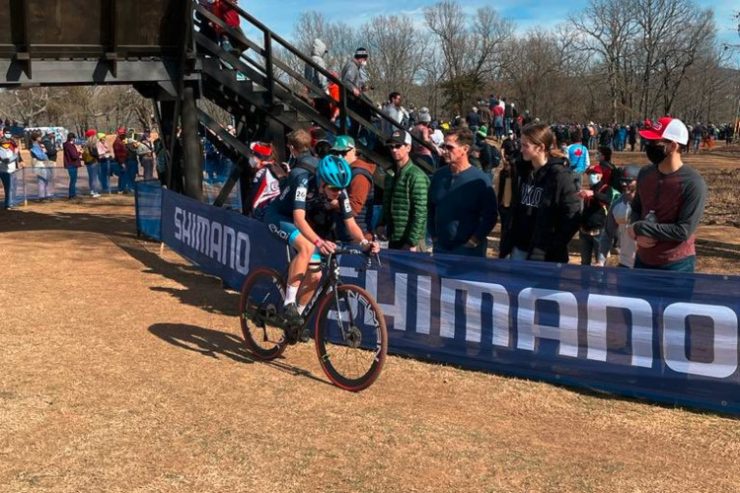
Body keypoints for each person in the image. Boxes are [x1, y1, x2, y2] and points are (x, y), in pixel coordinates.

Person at [264, 154, 379, 340]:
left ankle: (296, 320)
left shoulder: (339, 192)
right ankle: (289, 302)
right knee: (307, 247)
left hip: (299, 223)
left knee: (316, 275)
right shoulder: (303, 181)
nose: (337, 192)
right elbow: (299, 219)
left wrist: (365, 243)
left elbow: (351, 224)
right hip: (280, 217)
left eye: (341, 188)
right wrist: (319, 242)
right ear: (321, 182)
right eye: (333, 188)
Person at [629, 117, 707, 273]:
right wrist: (634, 229)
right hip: (643, 260)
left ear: (672, 146)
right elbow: (637, 207)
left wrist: (640, 227)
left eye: (654, 143)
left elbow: (683, 230)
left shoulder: (693, 183)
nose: (648, 147)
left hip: (676, 266)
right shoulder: (645, 173)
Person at [508, 123, 581, 262]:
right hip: (518, 248)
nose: (521, 149)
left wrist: (551, 246)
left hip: (546, 255)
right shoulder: (522, 172)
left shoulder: (560, 176)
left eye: (525, 145)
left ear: (540, 147)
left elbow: (572, 216)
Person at [428, 128, 497, 257]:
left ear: (465, 149)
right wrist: (434, 236)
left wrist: (474, 241)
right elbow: (431, 207)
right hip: (441, 249)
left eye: (450, 147)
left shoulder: (480, 180)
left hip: (468, 253)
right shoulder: (438, 176)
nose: (445, 151)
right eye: (443, 146)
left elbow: (490, 216)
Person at [375, 130, 430, 251]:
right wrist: (381, 224)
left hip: (412, 242)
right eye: (391, 147)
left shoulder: (417, 176)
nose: (394, 150)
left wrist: (412, 241)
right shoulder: (391, 174)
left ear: (408, 147)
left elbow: (420, 212)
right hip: (394, 237)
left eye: (398, 146)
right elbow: (386, 203)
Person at [330, 136, 377, 241]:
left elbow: (354, 208)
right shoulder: (346, 172)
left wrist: (333, 203)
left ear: (354, 151)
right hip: (345, 233)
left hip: (358, 236)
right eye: (336, 153)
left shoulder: (359, 175)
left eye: (343, 153)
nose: (340, 157)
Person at [597, 165, 640, 268]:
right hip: (625, 263)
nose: (624, 184)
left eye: (629, 181)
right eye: (622, 180)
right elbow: (607, 234)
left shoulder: (648, 204)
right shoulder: (616, 205)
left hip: (646, 265)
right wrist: (601, 260)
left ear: (639, 181)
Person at [576, 164, 619, 265]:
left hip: (599, 232)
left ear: (600, 175)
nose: (591, 176)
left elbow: (608, 200)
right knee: (584, 262)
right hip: (585, 231)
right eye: (589, 174)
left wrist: (594, 194)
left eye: (593, 173)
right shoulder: (589, 189)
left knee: (600, 263)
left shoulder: (606, 188)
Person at [243, 141, 286, 220]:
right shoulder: (277, 168)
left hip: (261, 213)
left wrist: (244, 214)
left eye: (253, 155)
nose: (251, 158)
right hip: (275, 211)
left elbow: (252, 195)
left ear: (260, 157)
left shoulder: (261, 172)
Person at [341, 48, 372, 139]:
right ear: (361, 58)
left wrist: (362, 87)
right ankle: (363, 133)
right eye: (365, 59)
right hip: (350, 100)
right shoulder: (352, 66)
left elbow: (354, 83)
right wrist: (354, 89)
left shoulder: (355, 67)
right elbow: (346, 82)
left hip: (351, 99)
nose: (365, 62)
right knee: (365, 110)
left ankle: (362, 132)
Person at [30, 131, 53, 201]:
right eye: (39, 136)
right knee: (41, 181)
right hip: (39, 165)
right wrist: (44, 152)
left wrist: (43, 150)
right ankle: (42, 196)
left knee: (46, 180)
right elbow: (40, 156)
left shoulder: (39, 145)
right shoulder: (34, 146)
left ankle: (47, 195)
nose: (40, 138)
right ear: (36, 138)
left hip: (43, 164)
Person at [0, 134, 20, 209]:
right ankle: (8, 204)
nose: (7, 144)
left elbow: (14, 160)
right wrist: (15, 155)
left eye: (8, 142)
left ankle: (11, 203)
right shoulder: (0, 151)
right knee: (8, 188)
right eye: (5, 143)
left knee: (13, 188)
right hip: (5, 171)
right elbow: (6, 160)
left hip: (12, 171)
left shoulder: (9, 150)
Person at [63, 133, 83, 199]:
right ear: (72, 138)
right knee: (73, 180)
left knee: (73, 180)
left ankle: (73, 194)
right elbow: (74, 156)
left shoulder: (68, 145)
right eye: (74, 138)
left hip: (71, 164)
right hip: (72, 164)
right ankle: (72, 195)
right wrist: (80, 152)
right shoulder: (69, 145)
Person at [82, 130, 101, 198]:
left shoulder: (86, 144)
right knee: (95, 178)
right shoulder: (92, 144)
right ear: (92, 136)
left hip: (88, 162)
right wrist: (99, 156)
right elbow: (94, 154)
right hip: (93, 162)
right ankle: (95, 192)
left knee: (91, 177)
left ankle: (92, 190)